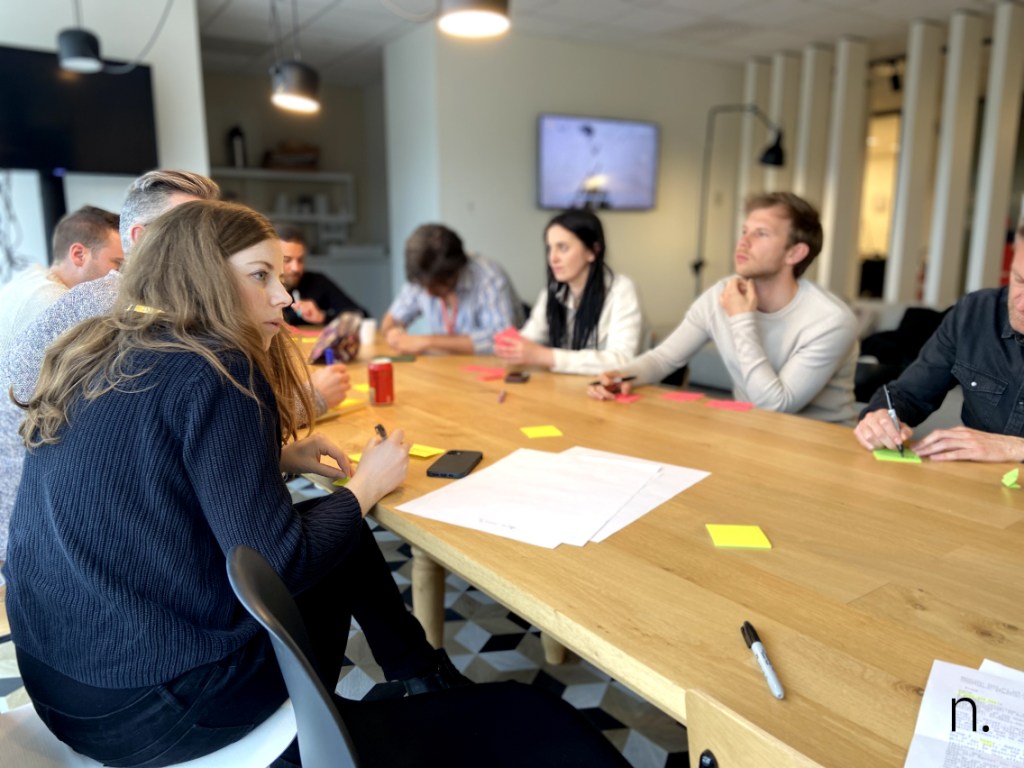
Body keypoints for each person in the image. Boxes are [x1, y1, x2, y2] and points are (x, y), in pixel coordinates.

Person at [3, 200, 463, 767]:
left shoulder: (101, 344)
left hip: (57, 687)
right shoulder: (217, 365)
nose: (285, 297)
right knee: (337, 533)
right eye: (260, 276)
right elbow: (283, 560)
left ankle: (419, 676)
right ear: (203, 276)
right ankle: (404, 694)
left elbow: (151, 476)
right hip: (158, 710)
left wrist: (282, 457)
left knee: (327, 521)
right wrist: (367, 485)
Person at [0, 171, 349, 561]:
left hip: (76, 537)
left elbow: (155, 448)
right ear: (143, 241)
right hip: (62, 544)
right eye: (189, 232)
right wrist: (314, 402)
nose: (210, 249)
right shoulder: (122, 321)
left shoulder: (146, 319)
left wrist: (276, 456)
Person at [589, 191, 858, 423]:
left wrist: (742, 319)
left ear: (795, 253)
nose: (743, 242)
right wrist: (621, 376)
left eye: (761, 234)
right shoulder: (723, 293)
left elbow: (775, 405)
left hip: (819, 445)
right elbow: (665, 359)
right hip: (753, 435)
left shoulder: (831, 320)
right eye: (744, 231)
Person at [853, 222, 1024, 462]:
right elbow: (908, 394)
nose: (1021, 304)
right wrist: (880, 417)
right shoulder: (974, 313)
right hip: (973, 487)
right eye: (1019, 279)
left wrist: (1015, 448)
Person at [494, 209, 644, 375]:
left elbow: (621, 360)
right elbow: (531, 335)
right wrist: (510, 345)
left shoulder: (621, 289)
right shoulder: (552, 290)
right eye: (549, 248)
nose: (553, 258)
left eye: (563, 248)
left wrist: (546, 356)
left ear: (593, 251)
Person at [381, 224, 522, 355]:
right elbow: (390, 321)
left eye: (435, 286)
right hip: (446, 369)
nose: (428, 293)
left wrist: (427, 342)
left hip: (492, 368)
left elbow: (503, 340)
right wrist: (394, 332)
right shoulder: (422, 275)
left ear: (455, 272)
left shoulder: (488, 276)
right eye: (424, 286)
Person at [0, 205, 122, 354]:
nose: (122, 275)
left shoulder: (31, 277)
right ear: (78, 255)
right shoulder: (52, 303)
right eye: (118, 265)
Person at [278, 225, 368, 325]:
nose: (296, 268)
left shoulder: (317, 282)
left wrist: (322, 317)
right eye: (287, 260)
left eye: (300, 260)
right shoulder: (261, 289)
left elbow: (361, 316)